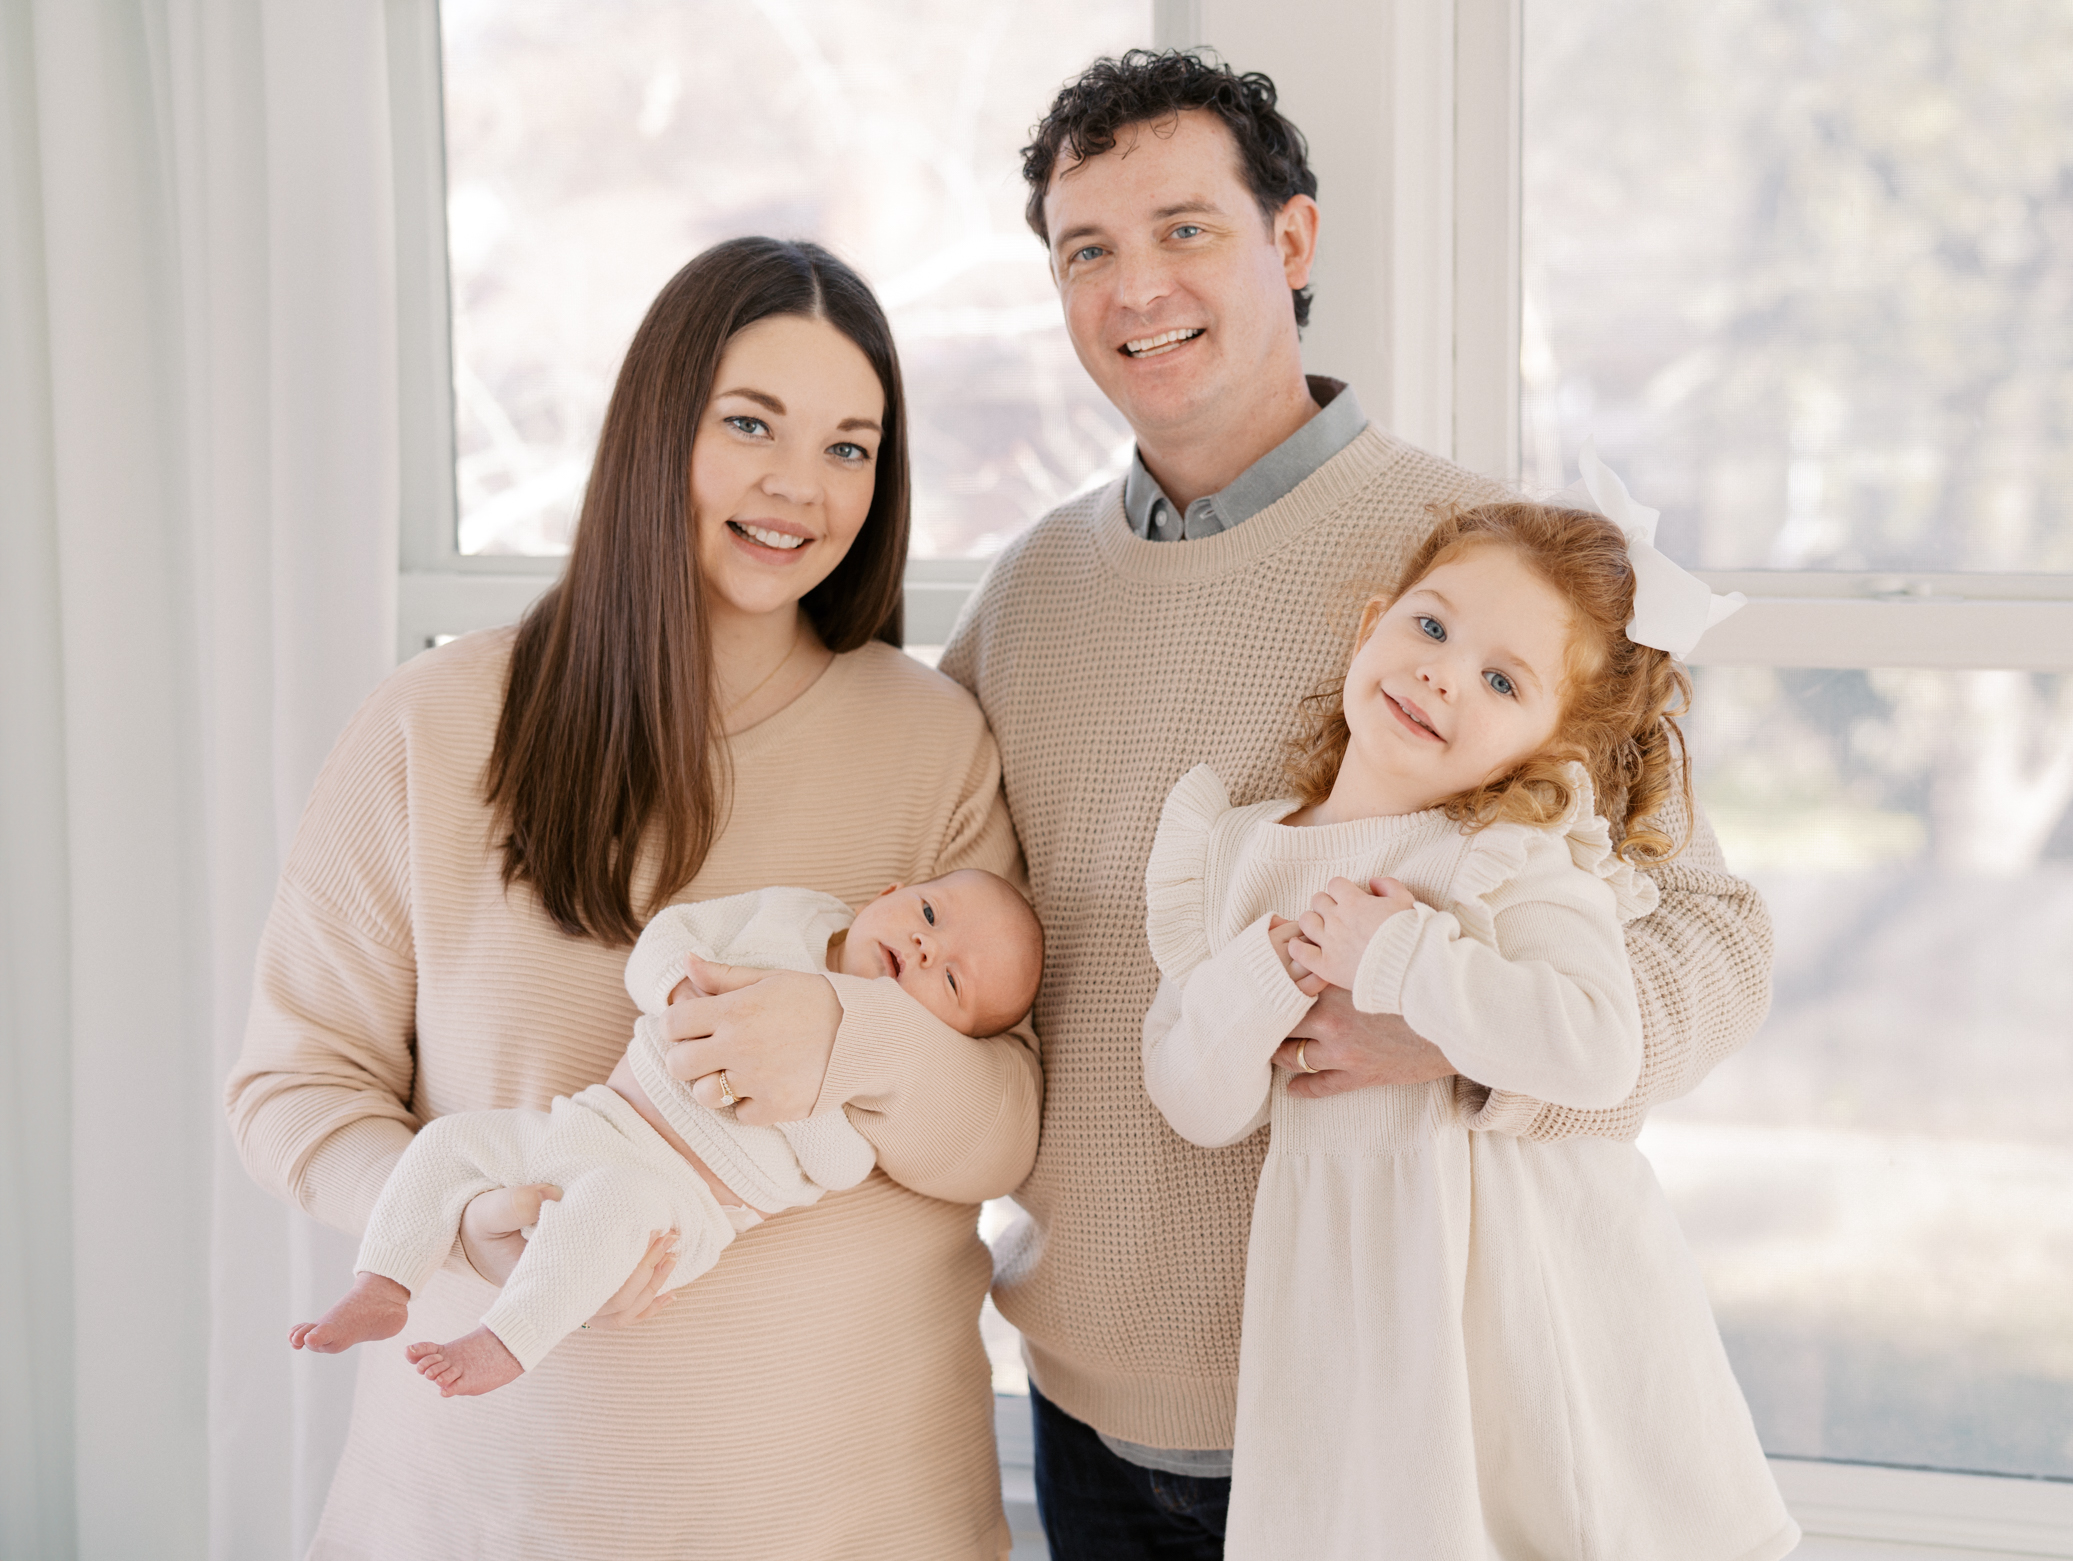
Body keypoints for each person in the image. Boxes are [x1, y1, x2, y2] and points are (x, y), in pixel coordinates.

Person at [936, 51, 1774, 1554]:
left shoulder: (1476, 576)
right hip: (1075, 1398)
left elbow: (1714, 935)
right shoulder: (1029, 592)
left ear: (1293, 243)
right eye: (1089, 251)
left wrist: (1462, 1041)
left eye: (1186, 228)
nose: (1138, 289)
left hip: (1373, 1417)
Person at [227, 237, 1039, 1559]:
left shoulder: (932, 738)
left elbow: (1005, 1127)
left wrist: (850, 1036)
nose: (800, 485)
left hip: (864, 1520)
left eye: (851, 446)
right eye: (750, 423)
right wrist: (476, 1221)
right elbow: (291, 1092)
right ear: (657, 426)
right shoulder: (437, 726)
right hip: (481, 1520)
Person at [1142, 485, 1796, 1559]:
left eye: (1501, 679)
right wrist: (1266, 970)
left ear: (1549, 745)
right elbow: (1194, 1099)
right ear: (1371, 626)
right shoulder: (1244, 854)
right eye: (1431, 626)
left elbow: (1597, 1046)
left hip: (1523, 1282)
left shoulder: (1512, 857)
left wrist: (1403, 957)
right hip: (1349, 1290)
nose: (1443, 671)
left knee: (1538, 1503)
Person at [289, 869, 1042, 1399]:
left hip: (679, 1201)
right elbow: (669, 938)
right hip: (590, 1119)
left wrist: (809, 1084)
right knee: (448, 1144)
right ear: (892, 892)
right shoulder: (793, 916)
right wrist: (682, 997)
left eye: (948, 983)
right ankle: (382, 1281)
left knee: (612, 1205)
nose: (924, 949)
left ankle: (505, 1340)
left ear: (950, 1036)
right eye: (930, 916)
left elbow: (842, 1167)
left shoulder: (870, 1080)